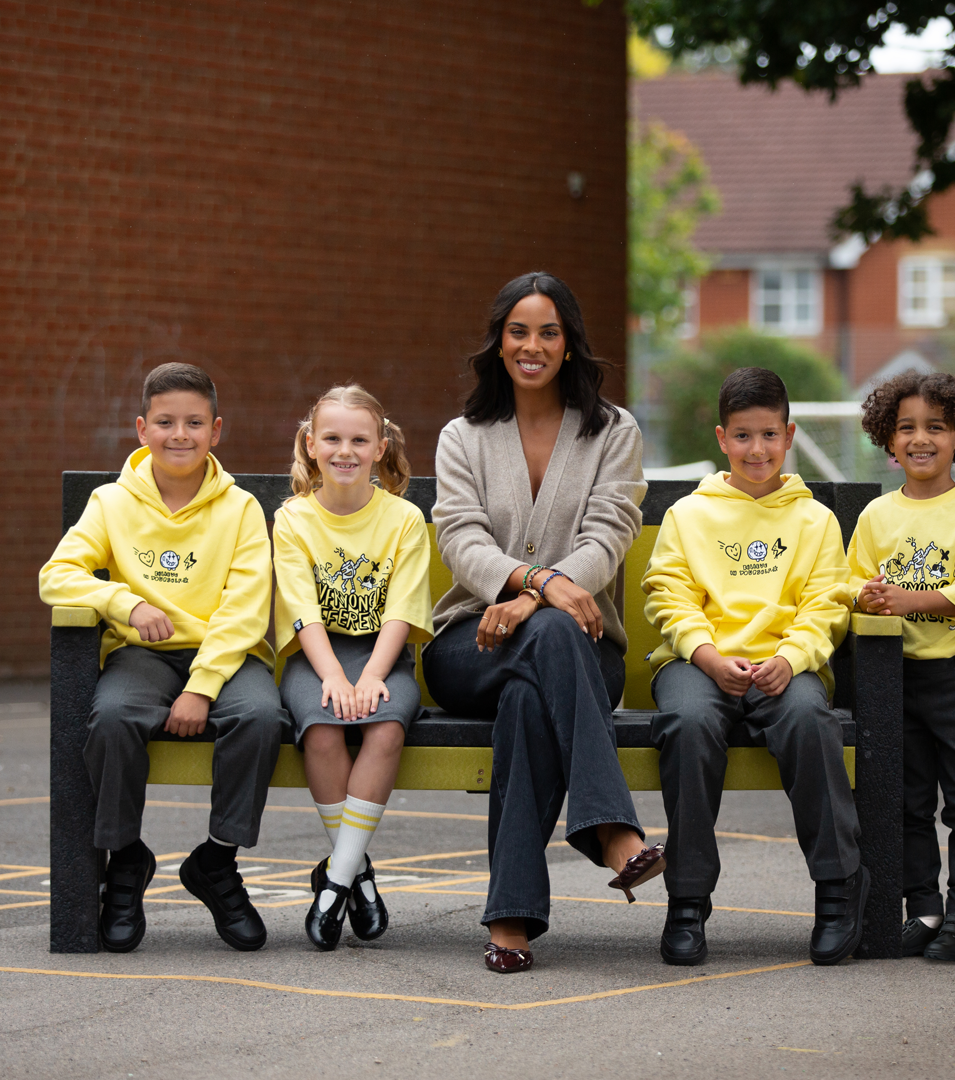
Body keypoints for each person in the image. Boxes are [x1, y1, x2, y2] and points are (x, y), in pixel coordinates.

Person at [420, 271, 663, 973]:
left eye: (548, 332)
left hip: (583, 648)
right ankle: (610, 831)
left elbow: (610, 534)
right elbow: (461, 539)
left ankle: (510, 917)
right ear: (499, 342)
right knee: (545, 643)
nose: (533, 346)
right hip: (471, 646)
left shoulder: (613, 431)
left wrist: (536, 597)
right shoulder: (463, 437)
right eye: (519, 332)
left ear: (569, 343)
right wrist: (538, 581)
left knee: (533, 691)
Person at [39, 362, 289, 952]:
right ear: (142, 428)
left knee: (261, 718)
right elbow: (57, 574)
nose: (180, 434)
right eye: (166, 422)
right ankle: (126, 859)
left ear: (216, 431)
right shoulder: (110, 502)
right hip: (143, 655)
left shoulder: (241, 509)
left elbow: (245, 609)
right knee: (112, 717)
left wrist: (201, 687)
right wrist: (123, 602)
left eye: (195, 423)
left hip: (226, 655)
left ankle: (217, 861)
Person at [642, 367, 866, 968]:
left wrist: (790, 659)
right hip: (697, 662)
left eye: (769, 435)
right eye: (742, 436)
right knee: (688, 724)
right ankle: (687, 899)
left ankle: (838, 888)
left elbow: (827, 604)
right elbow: (668, 595)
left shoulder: (815, 520)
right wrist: (708, 655)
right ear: (722, 439)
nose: (757, 449)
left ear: (788, 435)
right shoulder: (689, 515)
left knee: (810, 721)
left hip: (786, 666)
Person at [274, 385, 433, 952]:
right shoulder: (293, 519)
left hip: (382, 654)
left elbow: (402, 611)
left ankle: (335, 881)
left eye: (360, 440)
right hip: (316, 656)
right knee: (321, 730)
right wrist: (334, 678)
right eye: (333, 438)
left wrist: (370, 677)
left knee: (386, 727)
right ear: (310, 444)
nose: (346, 451)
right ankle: (358, 873)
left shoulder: (404, 518)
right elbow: (302, 611)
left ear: (380, 447)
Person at [850, 370, 955, 962]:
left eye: (936, 427)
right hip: (894, 677)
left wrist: (909, 599)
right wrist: (865, 596)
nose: (920, 438)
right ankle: (925, 909)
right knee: (908, 801)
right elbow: (851, 582)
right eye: (906, 427)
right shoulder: (876, 516)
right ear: (889, 440)